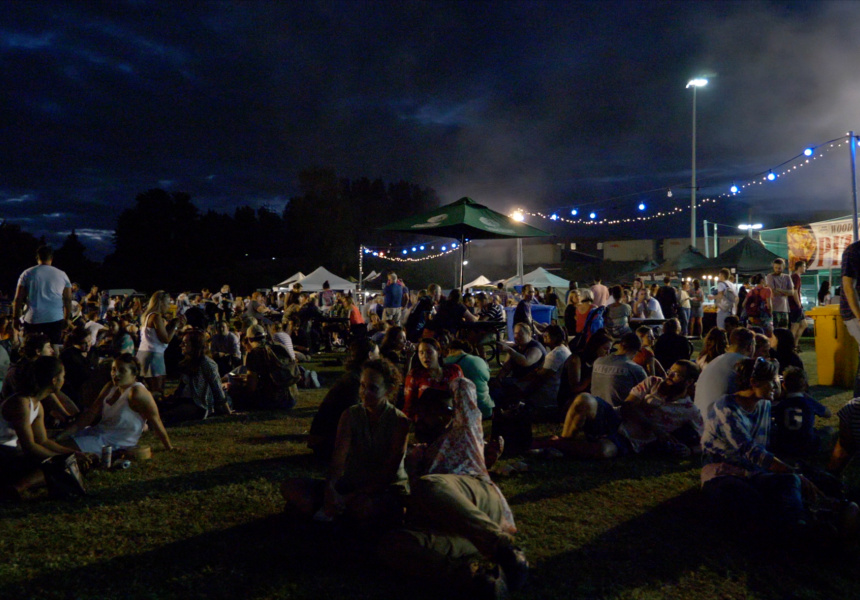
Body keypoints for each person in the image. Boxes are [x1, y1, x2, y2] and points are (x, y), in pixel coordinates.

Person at [381, 383, 527, 597]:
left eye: (431, 413)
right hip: (458, 530)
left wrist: (447, 374)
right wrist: (411, 471)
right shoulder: (420, 454)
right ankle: (476, 581)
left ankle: (504, 548)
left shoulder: (463, 431)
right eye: (420, 413)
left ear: (449, 414)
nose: (421, 419)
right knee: (390, 544)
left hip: (479, 500)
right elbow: (416, 502)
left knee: (429, 484)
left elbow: (465, 388)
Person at [700, 358, 843, 535]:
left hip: (753, 469)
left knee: (794, 481)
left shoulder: (764, 404)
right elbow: (749, 450)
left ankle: (803, 522)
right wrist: (790, 470)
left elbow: (764, 446)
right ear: (753, 382)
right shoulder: (726, 407)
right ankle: (799, 527)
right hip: (722, 470)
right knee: (750, 498)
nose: (778, 384)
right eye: (773, 379)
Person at [281, 359, 410, 526]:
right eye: (362, 385)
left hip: (384, 489)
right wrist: (331, 489)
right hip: (351, 483)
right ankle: (334, 511)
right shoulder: (350, 415)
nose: (364, 392)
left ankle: (329, 513)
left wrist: (347, 497)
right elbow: (338, 460)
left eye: (372, 388)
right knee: (290, 486)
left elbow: (388, 474)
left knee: (363, 508)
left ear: (389, 389)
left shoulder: (399, 421)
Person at [0, 356, 95, 501]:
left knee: (66, 465)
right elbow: (29, 446)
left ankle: (16, 486)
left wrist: (73, 454)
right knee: (57, 467)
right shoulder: (21, 403)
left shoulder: (37, 405)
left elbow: (43, 441)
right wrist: (60, 460)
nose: (64, 380)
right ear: (54, 380)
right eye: (63, 376)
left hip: (11, 451)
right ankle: (16, 488)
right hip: (4, 452)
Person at [61, 354, 175, 453]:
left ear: (134, 374)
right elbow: (91, 414)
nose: (116, 374)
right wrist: (65, 433)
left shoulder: (137, 392)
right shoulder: (111, 386)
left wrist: (169, 447)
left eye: (122, 370)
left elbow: (156, 420)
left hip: (117, 442)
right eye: (114, 369)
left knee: (60, 448)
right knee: (56, 442)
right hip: (99, 432)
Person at [307, 339, 379, 459]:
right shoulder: (355, 382)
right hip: (328, 444)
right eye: (377, 354)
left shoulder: (354, 377)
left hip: (324, 440)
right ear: (370, 356)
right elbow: (354, 417)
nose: (379, 357)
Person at [616, 360, 703, 457]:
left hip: (632, 441)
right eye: (670, 371)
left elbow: (707, 440)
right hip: (616, 420)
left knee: (604, 450)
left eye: (676, 374)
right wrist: (653, 427)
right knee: (596, 405)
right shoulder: (653, 382)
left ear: (689, 382)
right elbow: (627, 406)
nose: (669, 376)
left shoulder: (689, 409)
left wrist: (691, 451)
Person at [160, 329, 233, 423]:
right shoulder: (188, 362)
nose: (181, 345)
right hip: (183, 401)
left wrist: (228, 412)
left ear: (195, 345)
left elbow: (217, 389)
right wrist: (171, 398)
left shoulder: (207, 363)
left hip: (198, 405)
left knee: (167, 414)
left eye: (185, 343)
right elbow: (182, 387)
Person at [12, 245, 72, 353]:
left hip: (33, 318)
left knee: (31, 349)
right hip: (55, 318)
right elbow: (67, 299)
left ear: (37, 258)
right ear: (51, 258)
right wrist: (67, 318)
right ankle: (54, 368)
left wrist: (15, 318)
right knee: (54, 349)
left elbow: (18, 298)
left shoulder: (27, 273)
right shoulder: (62, 275)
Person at [694, 327, 756, 417]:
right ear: (750, 346)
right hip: (718, 421)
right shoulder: (743, 363)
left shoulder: (717, 360)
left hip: (701, 418)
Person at [136, 291, 186, 400]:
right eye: (167, 303)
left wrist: (173, 325)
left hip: (143, 353)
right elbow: (166, 339)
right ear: (160, 302)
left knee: (146, 388)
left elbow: (160, 335)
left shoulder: (147, 316)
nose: (169, 306)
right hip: (153, 355)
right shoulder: (156, 317)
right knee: (157, 391)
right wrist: (175, 325)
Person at [771, 367, 831, 457]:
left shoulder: (780, 405)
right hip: (808, 447)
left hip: (784, 447)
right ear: (805, 386)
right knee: (829, 430)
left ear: (783, 385)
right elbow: (828, 414)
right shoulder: (809, 402)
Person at [403, 338, 463, 418]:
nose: (425, 356)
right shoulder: (415, 375)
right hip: (427, 423)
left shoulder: (454, 371)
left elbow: (463, 397)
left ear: (438, 352)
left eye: (429, 352)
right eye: (421, 353)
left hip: (454, 420)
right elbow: (409, 406)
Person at [521, 325, 571, 416]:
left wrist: (524, 393)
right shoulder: (564, 349)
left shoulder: (556, 354)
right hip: (557, 391)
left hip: (549, 395)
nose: (543, 336)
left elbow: (541, 379)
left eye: (546, 335)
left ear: (555, 337)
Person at [556, 329, 613, 410]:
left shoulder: (599, 361)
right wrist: (594, 374)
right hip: (570, 399)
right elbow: (575, 388)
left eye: (609, 350)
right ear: (596, 346)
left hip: (588, 397)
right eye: (605, 349)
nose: (608, 353)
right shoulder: (576, 359)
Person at [590, 332, 647, 407]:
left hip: (595, 410)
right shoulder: (635, 368)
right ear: (636, 351)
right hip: (618, 414)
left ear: (620, 345)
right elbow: (646, 394)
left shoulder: (598, 361)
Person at [444, 339, 493, 420]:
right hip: (485, 409)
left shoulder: (447, 363)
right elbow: (488, 378)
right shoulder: (479, 360)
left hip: (466, 413)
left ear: (450, 350)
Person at [766, 258, 793, 331]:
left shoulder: (787, 277)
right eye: (776, 268)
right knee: (776, 330)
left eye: (779, 268)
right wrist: (785, 292)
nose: (777, 269)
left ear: (783, 267)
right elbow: (771, 291)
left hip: (784, 308)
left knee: (784, 330)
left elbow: (792, 292)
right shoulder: (770, 276)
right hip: (774, 307)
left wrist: (780, 290)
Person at [788, 260, 807, 349]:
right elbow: (794, 291)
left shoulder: (795, 277)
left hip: (795, 305)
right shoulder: (796, 277)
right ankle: (792, 346)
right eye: (804, 266)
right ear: (799, 267)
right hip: (795, 305)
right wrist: (798, 303)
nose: (805, 268)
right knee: (794, 326)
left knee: (803, 324)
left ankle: (794, 344)